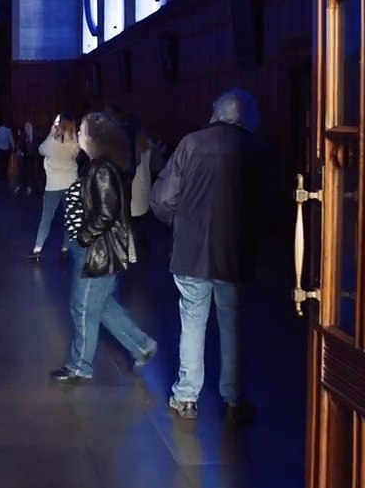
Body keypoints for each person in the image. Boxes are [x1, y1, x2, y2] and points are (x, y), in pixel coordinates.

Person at [151, 88, 273, 424]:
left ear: (215, 112)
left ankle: (186, 396)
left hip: (190, 251)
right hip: (234, 253)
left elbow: (162, 198)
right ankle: (234, 399)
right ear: (247, 116)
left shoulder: (191, 144)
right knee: (232, 324)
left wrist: (179, 222)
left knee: (192, 322)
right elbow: (269, 208)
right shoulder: (257, 150)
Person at [51, 113, 157, 383]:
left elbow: (106, 213)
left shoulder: (103, 169)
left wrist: (84, 237)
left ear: (96, 139)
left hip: (96, 250)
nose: (78, 137)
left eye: (82, 132)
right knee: (104, 306)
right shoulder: (102, 165)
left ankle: (79, 366)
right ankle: (143, 346)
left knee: (82, 307)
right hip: (100, 249)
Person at [29, 113, 80, 260]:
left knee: (46, 218)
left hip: (53, 185)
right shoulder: (74, 144)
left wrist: (52, 131)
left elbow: (40, 149)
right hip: (71, 182)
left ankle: (37, 249)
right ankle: (65, 248)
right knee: (69, 218)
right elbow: (76, 153)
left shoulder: (51, 143)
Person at [130, 130, 153, 258]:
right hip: (144, 188)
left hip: (135, 190)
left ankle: (135, 253)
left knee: (133, 224)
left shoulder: (132, 150)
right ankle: (144, 249)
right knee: (141, 222)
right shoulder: (147, 145)